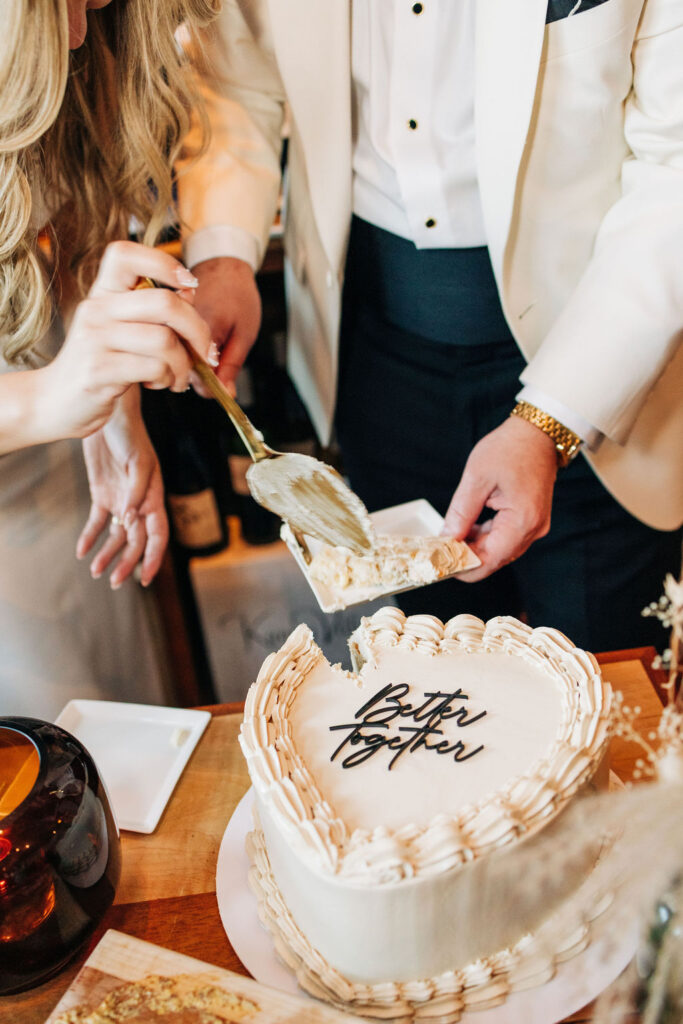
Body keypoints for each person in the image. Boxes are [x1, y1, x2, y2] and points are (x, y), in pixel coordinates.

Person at [177, 0, 683, 653]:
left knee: (604, 670)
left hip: (603, 368)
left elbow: (673, 171)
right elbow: (233, 81)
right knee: (443, 666)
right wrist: (221, 255)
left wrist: (551, 416)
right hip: (377, 357)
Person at [0, 0, 219, 716]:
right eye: (63, 2)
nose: (79, 34)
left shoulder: (70, 53)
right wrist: (40, 400)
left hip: (58, 480)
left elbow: (59, 221)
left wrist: (108, 403)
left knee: (118, 749)